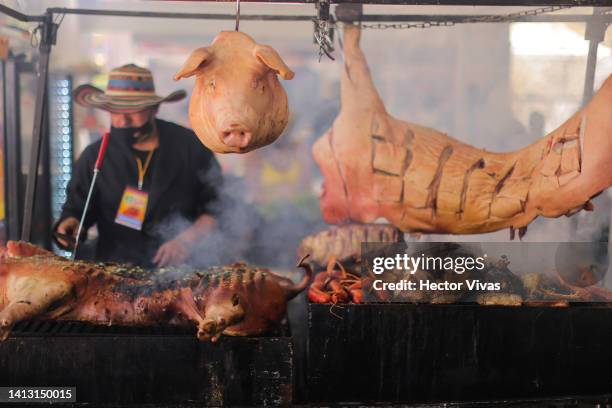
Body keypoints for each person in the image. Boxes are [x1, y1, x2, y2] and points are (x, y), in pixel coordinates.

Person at [54, 64, 222, 267]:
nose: (122, 119)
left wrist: (185, 242)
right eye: (114, 110)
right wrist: (69, 224)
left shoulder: (190, 146)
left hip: (182, 270)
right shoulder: (95, 155)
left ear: (154, 108)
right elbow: (76, 208)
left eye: (132, 109)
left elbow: (218, 207)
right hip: (115, 270)